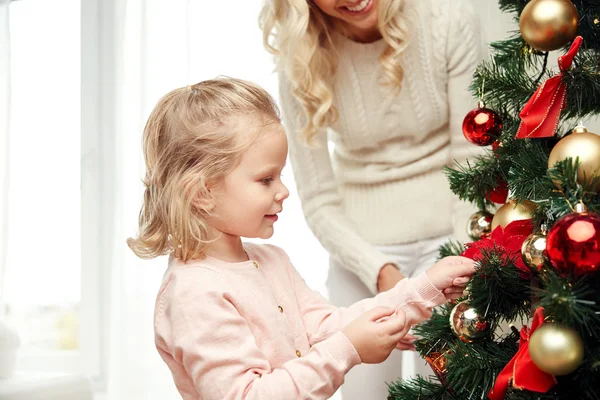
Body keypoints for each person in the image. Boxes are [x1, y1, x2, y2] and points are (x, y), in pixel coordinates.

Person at [126, 77, 477, 399]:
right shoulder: (194, 292)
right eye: (266, 179)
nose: (284, 191)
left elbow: (327, 328)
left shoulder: (271, 260)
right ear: (202, 192)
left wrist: (425, 288)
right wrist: (349, 347)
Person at [260, 0, 484, 397]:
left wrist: (457, 260)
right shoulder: (302, 58)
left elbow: (471, 155)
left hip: (451, 238)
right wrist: (385, 275)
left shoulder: (447, 19)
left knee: (453, 387)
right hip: (360, 253)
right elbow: (318, 200)